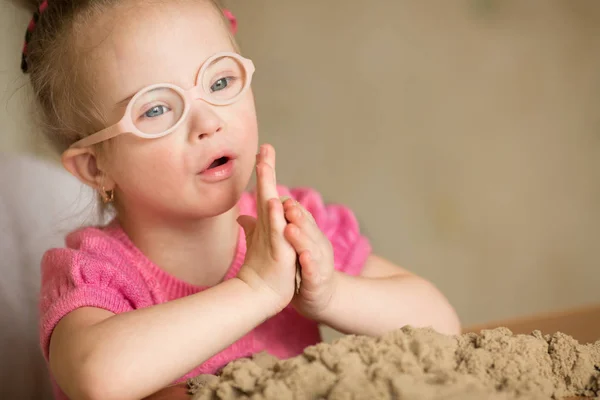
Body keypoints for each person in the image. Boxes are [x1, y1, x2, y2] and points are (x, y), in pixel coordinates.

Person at [19, 1, 461, 399]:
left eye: (221, 80)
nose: (208, 121)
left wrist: (328, 294)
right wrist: (256, 290)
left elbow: (441, 321)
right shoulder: (97, 274)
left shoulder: (287, 226)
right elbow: (98, 378)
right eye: (155, 109)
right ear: (97, 167)